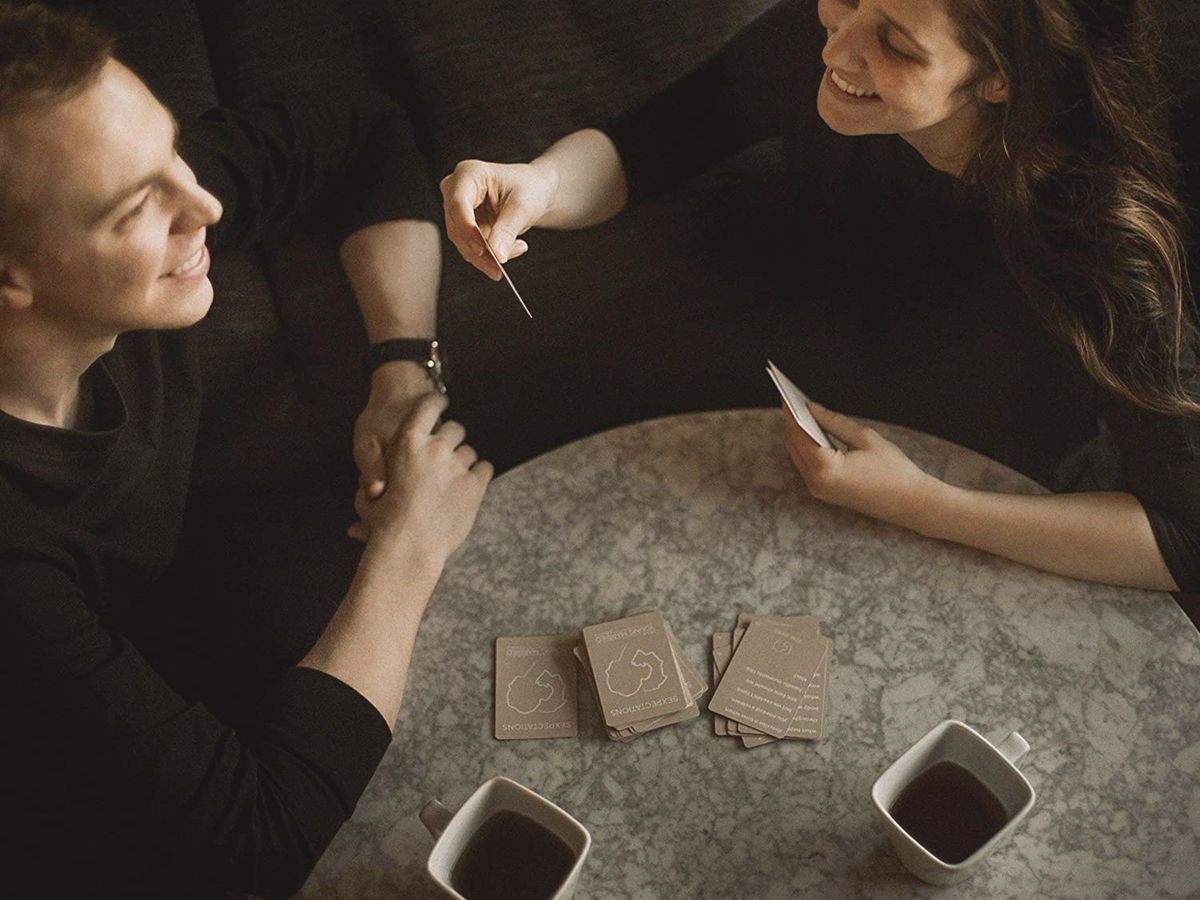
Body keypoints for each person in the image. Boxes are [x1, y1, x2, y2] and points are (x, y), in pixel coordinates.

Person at [441, 0, 1200, 593]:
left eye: (898, 45)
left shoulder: (1105, 232)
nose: (836, 51)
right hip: (799, 436)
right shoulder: (842, 36)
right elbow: (650, 144)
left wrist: (921, 504)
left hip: (999, 505)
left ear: (1003, 77)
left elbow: (1181, 538)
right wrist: (539, 184)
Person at [0, 3, 492, 897]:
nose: (206, 206)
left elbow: (366, 128)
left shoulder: (156, 231)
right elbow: (261, 842)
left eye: (174, 154)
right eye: (136, 207)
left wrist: (400, 366)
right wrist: (411, 544)